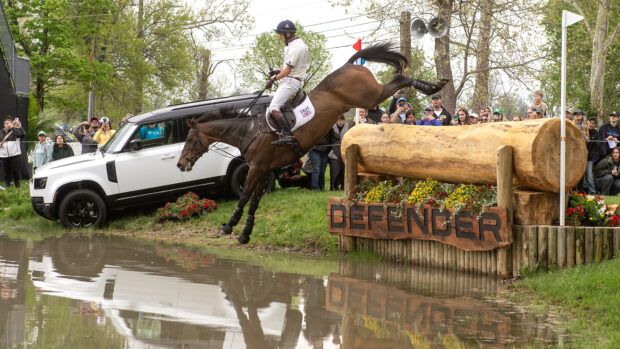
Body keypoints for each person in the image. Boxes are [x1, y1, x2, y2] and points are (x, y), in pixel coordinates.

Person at [265, 20, 309, 146]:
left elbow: (289, 71)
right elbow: (291, 68)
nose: (280, 37)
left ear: (288, 34)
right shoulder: (298, 45)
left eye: (280, 34)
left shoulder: (295, 47)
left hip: (290, 82)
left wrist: (273, 79)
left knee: (273, 107)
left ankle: (287, 135)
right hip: (291, 80)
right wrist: (277, 71)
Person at [0, 117, 25, 188]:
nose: (8, 125)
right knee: (6, 171)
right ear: (4, 125)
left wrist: (13, 128)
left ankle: (17, 186)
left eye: (9, 123)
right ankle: (7, 185)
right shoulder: (1, 132)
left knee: (15, 171)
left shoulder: (15, 131)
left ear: (11, 124)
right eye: (6, 123)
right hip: (4, 155)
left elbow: (22, 135)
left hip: (15, 154)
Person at [329, 115, 349, 190]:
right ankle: (333, 186)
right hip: (334, 153)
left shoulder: (348, 127)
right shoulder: (332, 128)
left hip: (344, 152)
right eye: (338, 120)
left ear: (344, 120)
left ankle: (344, 186)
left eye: (341, 120)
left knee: (344, 170)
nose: (340, 121)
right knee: (334, 170)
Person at [584, 118, 599, 194]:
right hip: (580, 157)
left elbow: (597, 145)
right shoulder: (583, 131)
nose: (591, 124)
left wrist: (590, 154)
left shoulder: (596, 133)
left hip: (589, 158)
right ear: (587, 123)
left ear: (595, 125)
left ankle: (592, 191)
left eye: (593, 123)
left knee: (589, 175)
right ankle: (578, 191)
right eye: (590, 122)